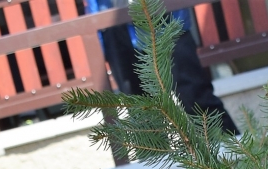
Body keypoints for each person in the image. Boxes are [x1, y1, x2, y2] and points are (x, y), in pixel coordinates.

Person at [85, 0, 236, 134]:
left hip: (167, 16)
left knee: (196, 98)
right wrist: (99, 38)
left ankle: (233, 154)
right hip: (115, 23)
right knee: (142, 115)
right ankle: (159, 159)